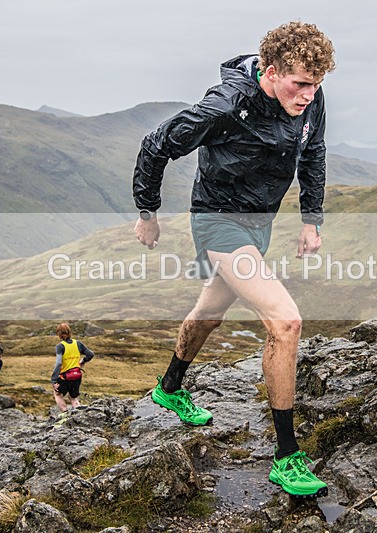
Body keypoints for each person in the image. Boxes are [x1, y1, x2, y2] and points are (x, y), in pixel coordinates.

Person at [133, 21, 335, 498]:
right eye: (301, 83)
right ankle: (286, 457)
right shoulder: (226, 106)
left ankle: (170, 386)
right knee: (285, 322)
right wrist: (148, 213)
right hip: (217, 220)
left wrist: (312, 220)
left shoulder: (310, 99)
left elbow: (314, 152)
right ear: (270, 71)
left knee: (210, 312)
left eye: (318, 84)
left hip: (257, 223)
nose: (309, 95)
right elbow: (155, 145)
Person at [51, 323, 95, 412]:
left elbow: (59, 363)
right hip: (77, 375)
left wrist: (54, 380)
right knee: (73, 397)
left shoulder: (60, 346)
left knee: (57, 394)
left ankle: (64, 413)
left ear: (59, 334)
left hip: (65, 377)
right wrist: (83, 361)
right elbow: (90, 354)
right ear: (69, 332)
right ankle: (78, 414)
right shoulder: (77, 343)